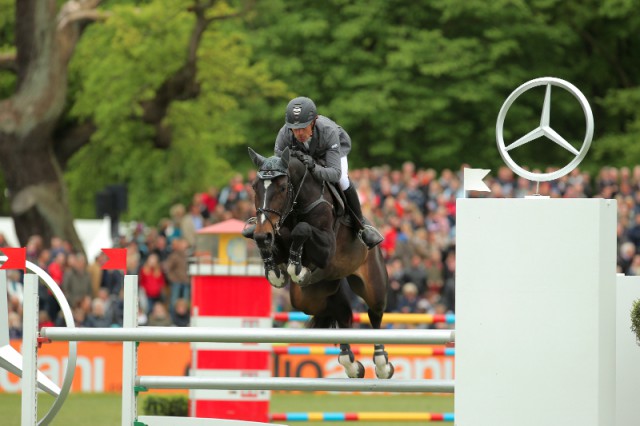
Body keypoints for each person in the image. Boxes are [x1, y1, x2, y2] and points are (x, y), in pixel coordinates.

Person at [243, 96, 383, 249]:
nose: (299, 133)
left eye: (303, 127)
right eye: (295, 129)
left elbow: (334, 173)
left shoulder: (328, 132)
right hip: (305, 157)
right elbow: (279, 172)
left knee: (342, 179)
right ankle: (263, 222)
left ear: (314, 121)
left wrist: (314, 168)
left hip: (330, 153)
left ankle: (361, 226)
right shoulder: (284, 135)